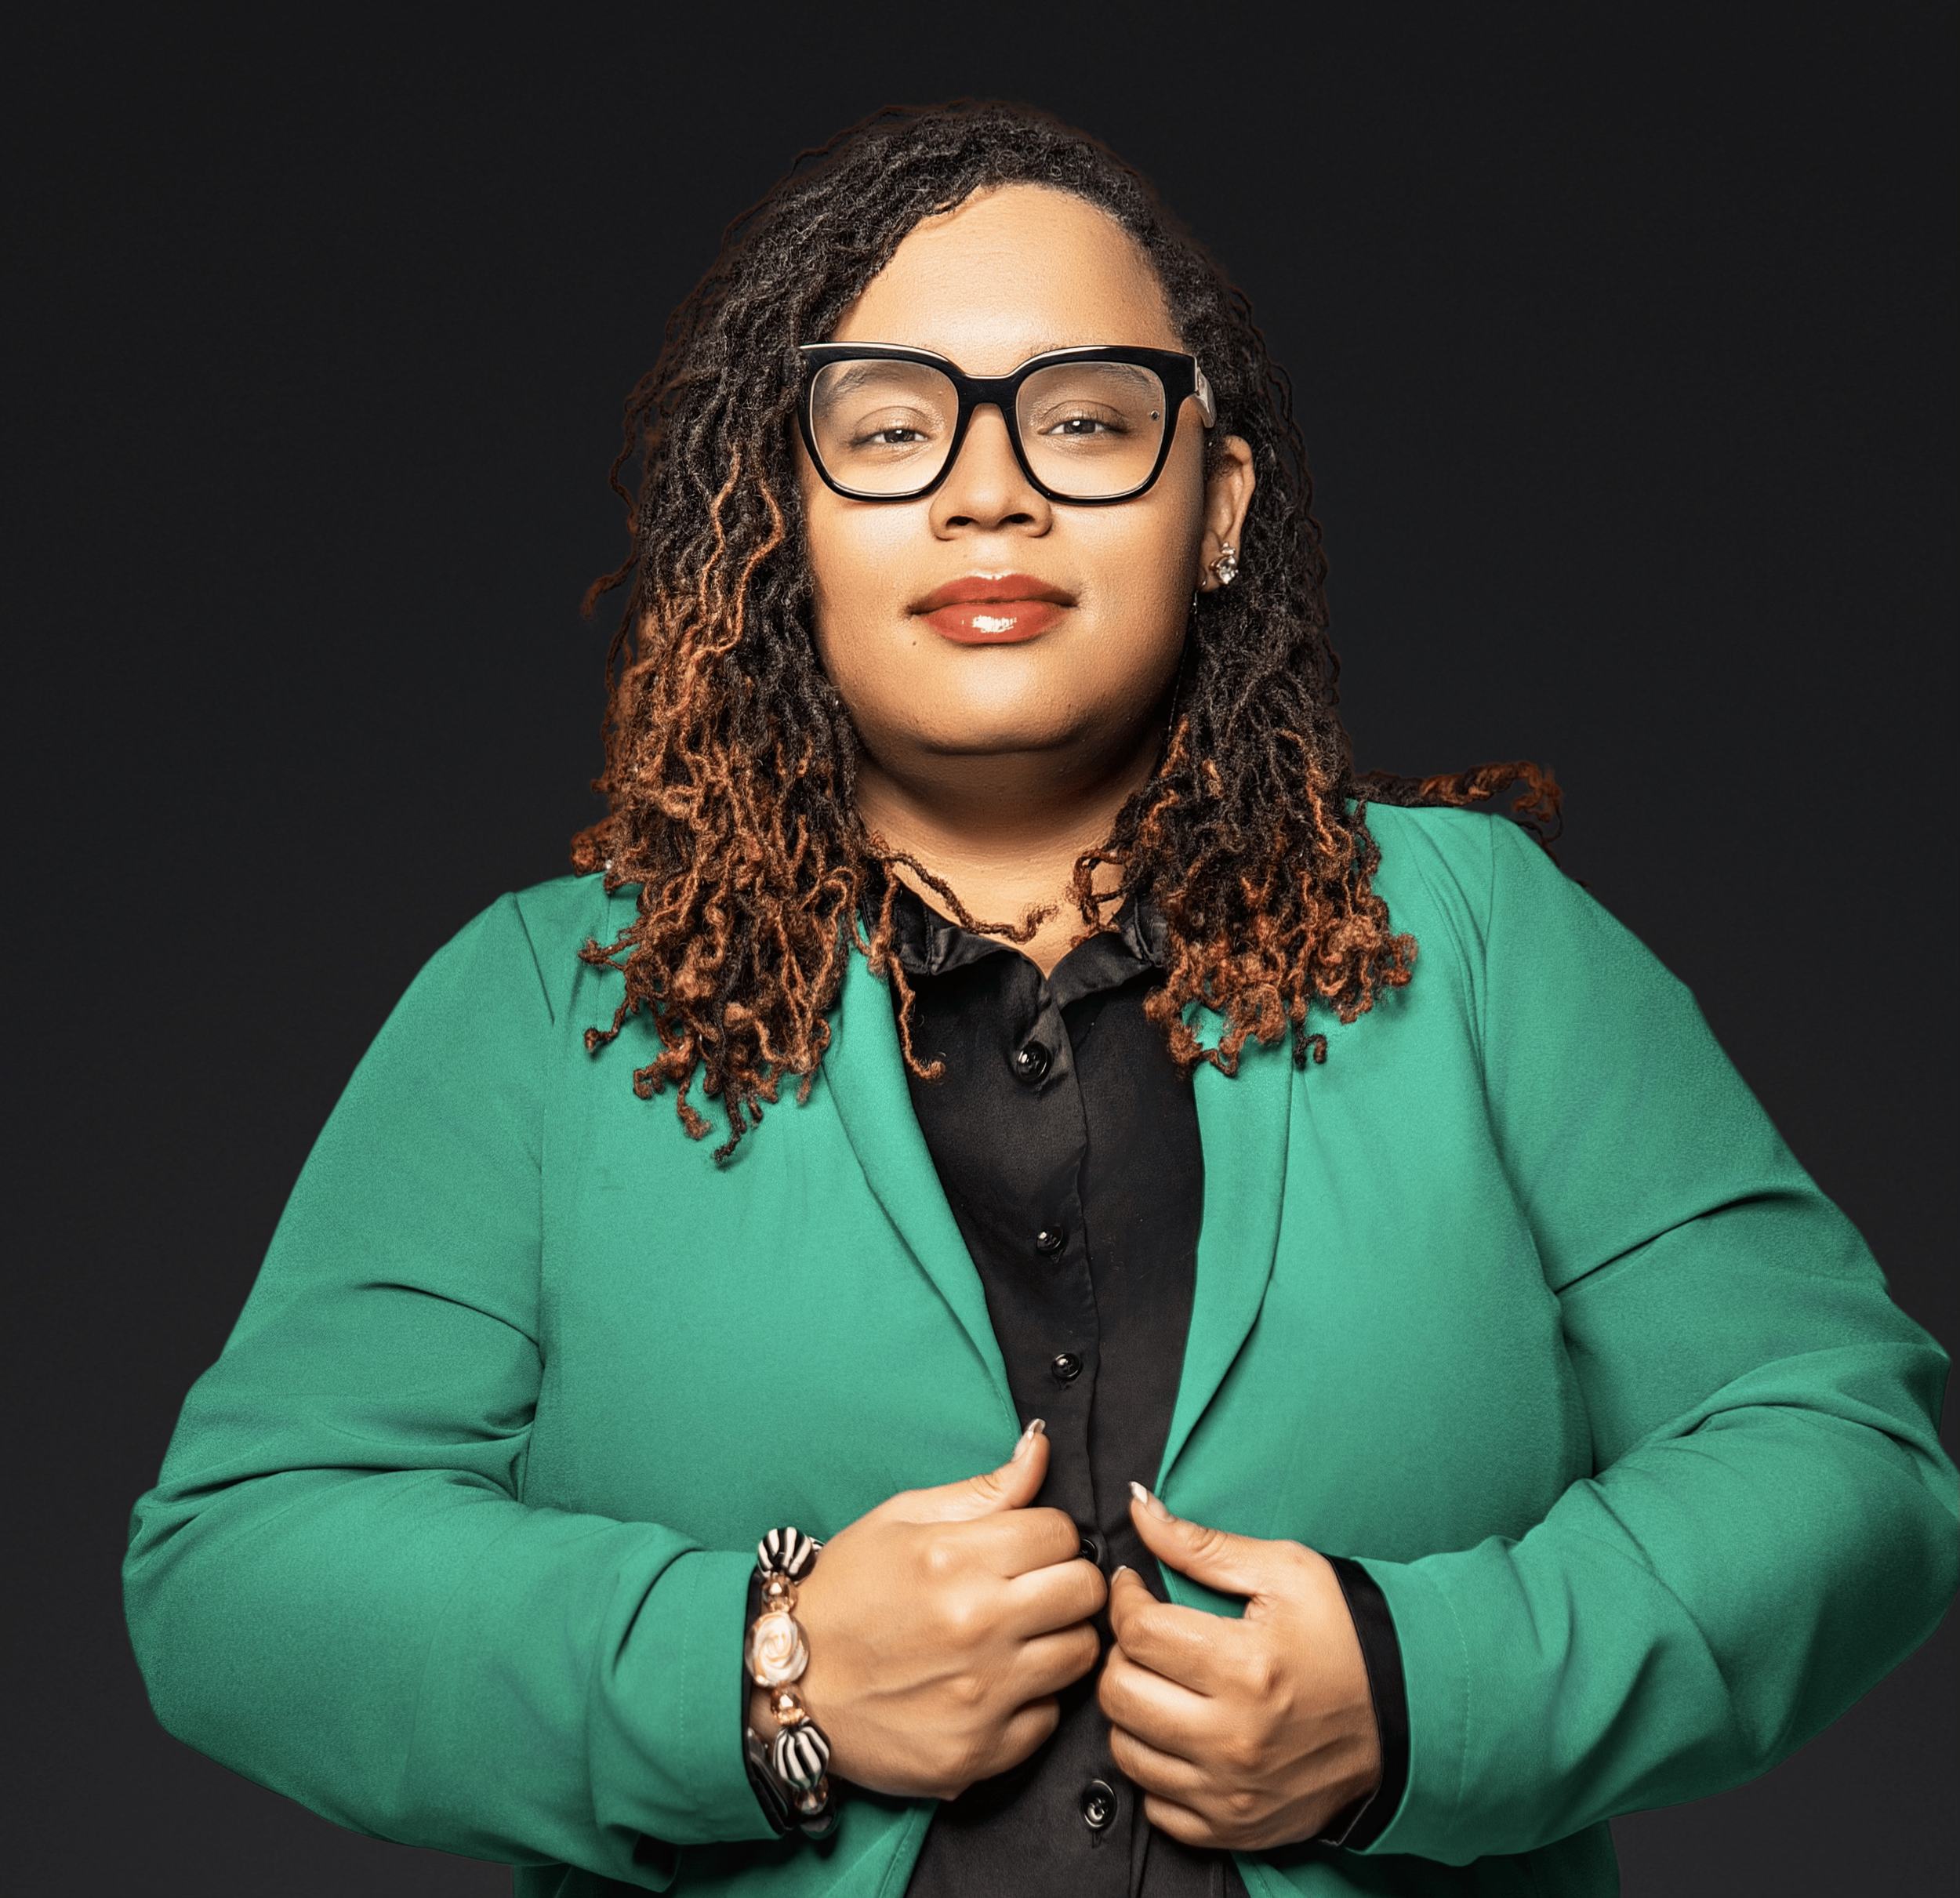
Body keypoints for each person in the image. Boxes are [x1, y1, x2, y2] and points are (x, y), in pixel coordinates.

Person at [124, 101, 1955, 1898]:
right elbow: (240, 1571)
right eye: (892, 427)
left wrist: (1418, 1692)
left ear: (1213, 506)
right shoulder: (544, 1005)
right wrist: (766, 1670)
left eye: (1081, 419)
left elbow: (1842, 1447)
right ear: (785, 520)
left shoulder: (1482, 944)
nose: (986, 487)